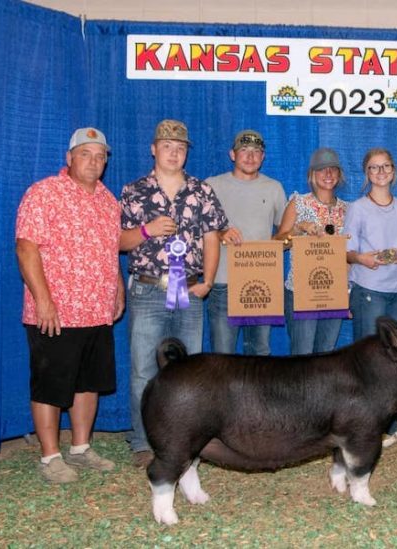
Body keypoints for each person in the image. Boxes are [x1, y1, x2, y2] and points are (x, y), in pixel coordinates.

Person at [15, 127, 122, 483]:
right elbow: (26, 248)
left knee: (88, 382)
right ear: (69, 158)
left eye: (100, 156)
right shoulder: (44, 193)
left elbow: (110, 249)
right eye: (85, 154)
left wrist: (117, 288)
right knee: (50, 383)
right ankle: (50, 456)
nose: (93, 161)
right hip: (56, 312)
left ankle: (80, 448)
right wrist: (43, 300)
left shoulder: (108, 201)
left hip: (96, 310)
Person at [119, 120, 228, 467]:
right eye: (167, 146)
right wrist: (147, 231)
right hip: (148, 289)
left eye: (180, 148)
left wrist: (207, 281)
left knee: (190, 373)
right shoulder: (134, 190)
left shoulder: (201, 191)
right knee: (143, 371)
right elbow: (119, 241)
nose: (174, 152)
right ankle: (143, 441)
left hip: (190, 290)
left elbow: (212, 237)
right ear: (154, 149)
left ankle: (188, 443)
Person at [343, 148, 397, 447]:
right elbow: (347, 251)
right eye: (374, 168)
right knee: (368, 358)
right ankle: (363, 423)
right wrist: (361, 259)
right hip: (368, 288)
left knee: (394, 357)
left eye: (385, 166)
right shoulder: (358, 208)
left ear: (393, 171)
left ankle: (389, 422)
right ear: (367, 173)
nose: (380, 172)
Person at [206, 130, 287, 355]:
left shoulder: (274, 188)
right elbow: (195, 228)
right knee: (223, 358)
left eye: (256, 151)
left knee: (260, 354)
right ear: (232, 154)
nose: (250, 157)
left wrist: (287, 240)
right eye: (244, 150)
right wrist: (219, 232)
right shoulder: (212, 186)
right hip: (223, 282)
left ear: (263, 157)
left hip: (261, 284)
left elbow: (285, 232)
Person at [273, 148, 348, 355]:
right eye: (322, 169)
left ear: (339, 174)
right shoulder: (298, 203)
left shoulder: (347, 209)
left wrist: (348, 291)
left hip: (334, 290)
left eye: (333, 169)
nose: (328, 174)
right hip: (301, 291)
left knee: (327, 356)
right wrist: (298, 229)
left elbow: (349, 255)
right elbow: (278, 244)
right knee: (302, 356)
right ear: (312, 174)